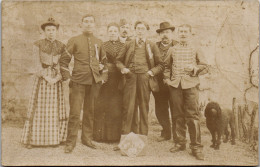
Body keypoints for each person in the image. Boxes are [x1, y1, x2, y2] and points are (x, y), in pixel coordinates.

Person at [60, 14, 108, 153]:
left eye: (91, 22)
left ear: (95, 25)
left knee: (90, 111)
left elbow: (104, 63)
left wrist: (103, 78)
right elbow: (64, 61)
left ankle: (87, 139)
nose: (88, 24)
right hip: (78, 82)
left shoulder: (99, 42)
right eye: (86, 22)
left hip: (94, 83)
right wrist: (67, 78)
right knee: (75, 113)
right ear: (81, 24)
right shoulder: (74, 40)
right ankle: (70, 142)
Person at [20, 18, 67, 148]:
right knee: (40, 108)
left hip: (55, 80)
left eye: (53, 30)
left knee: (54, 108)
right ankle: (34, 140)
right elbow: (36, 63)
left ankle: (54, 139)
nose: (51, 32)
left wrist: (57, 78)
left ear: (57, 31)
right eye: (48, 30)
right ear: (44, 31)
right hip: (42, 79)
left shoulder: (62, 46)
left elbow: (63, 64)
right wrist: (46, 77)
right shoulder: (38, 44)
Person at [164, 24, 208, 160]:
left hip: (191, 85)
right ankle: (180, 142)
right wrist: (167, 79)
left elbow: (205, 66)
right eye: (181, 32)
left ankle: (196, 147)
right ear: (178, 34)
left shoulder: (196, 49)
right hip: (175, 85)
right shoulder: (172, 49)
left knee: (193, 116)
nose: (183, 34)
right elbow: (166, 66)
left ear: (190, 34)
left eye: (185, 32)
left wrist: (194, 68)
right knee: (177, 115)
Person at [116, 21, 164, 137]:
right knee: (128, 108)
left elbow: (161, 65)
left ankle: (143, 138)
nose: (140, 31)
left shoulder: (151, 45)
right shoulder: (128, 44)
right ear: (135, 30)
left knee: (143, 108)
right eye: (138, 28)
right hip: (130, 78)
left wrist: (150, 72)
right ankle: (125, 139)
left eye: (143, 29)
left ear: (146, 31)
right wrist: (123, 69)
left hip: (145, 78)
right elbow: (118, 61)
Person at [93, 23, 125, 142]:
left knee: (116, 106)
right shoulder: (102, 45)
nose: (112, 33)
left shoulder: (124, 45)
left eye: (115, 31)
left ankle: (115, 136)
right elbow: (97, 59)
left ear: (118, 33)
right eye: (110, 31)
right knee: (103, 105)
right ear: (108, 33)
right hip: (106, 78)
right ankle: (100, 136)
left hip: (119, 78)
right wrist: (100, 66)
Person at [154, 22, 178, 142]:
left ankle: (177, 134)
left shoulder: (178, 46)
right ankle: (166, 132)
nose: (165, 35)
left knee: (176, 107)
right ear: (159, 35)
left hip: (174, 82)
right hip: (158, 83)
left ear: (172, 33)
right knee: (161, 108)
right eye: (162, 33)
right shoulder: (154, 47)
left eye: (167, 32)